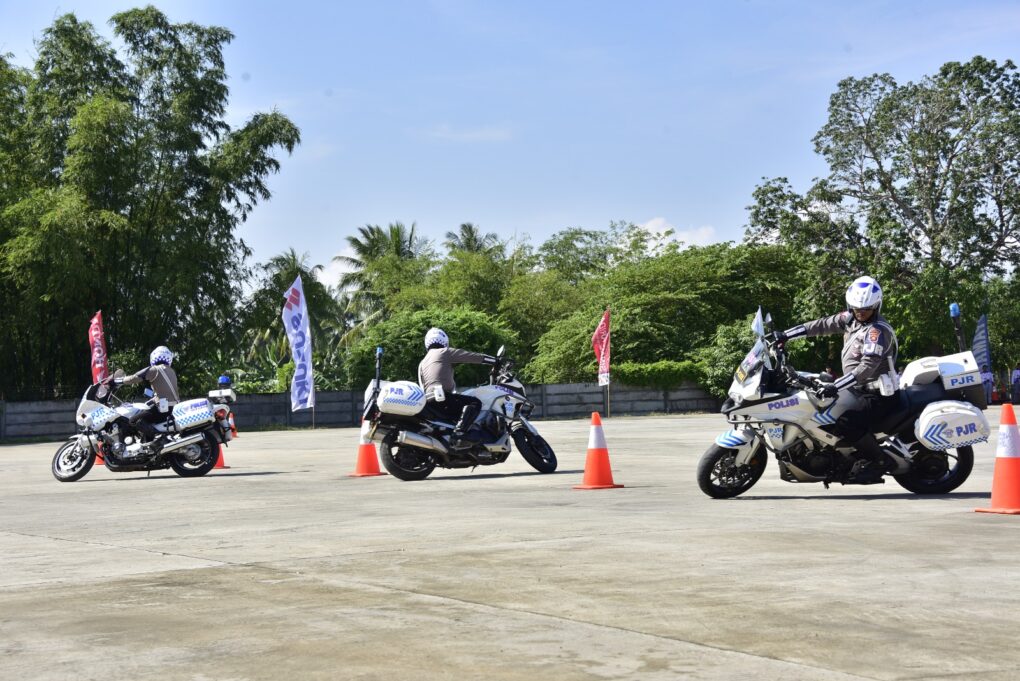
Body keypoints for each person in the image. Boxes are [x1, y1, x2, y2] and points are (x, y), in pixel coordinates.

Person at [772, 276, 898, 484]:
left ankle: (881, 461)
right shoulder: (851, 319)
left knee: (847, 424)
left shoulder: (876, 331)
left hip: (876, 394)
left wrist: (835, 386)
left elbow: (866, 368)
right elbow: (821, 325)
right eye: (856, 308)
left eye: (866, 308)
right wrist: (786, 335)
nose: (861, 312)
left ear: (876, 306)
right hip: (855, 390)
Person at [417, 328, 496, 445]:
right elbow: (470, 356)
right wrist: (495, 360)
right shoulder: (444, 352)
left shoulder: (422, 362)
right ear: (444, 341)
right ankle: (460, 433)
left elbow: (421, 385)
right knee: (475, 403)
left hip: (428, 402)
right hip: (442, 398)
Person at [113, 345, 180, 450]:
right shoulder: (171, 371)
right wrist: (152, 400)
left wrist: (120, 380)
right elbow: (165, 392)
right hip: (172, 407)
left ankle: (158, 437)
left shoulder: (155, 370)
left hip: (163, 409)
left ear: (154, 357)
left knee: (134, 420)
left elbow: (135, 377)